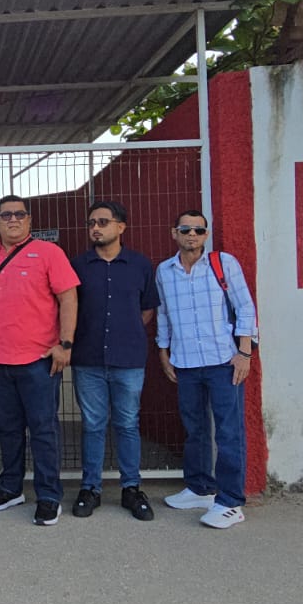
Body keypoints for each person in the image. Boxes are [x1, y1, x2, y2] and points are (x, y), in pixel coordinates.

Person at [0, 195, 79, 527]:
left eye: (20, 214)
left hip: (39, 360)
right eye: (6, 215)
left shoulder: (49, 254)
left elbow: (68, 296)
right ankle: (11, 487)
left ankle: (48, 496)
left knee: (43, 430)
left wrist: (65, 343)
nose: (13, 219)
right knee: (9, 429)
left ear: (29, 220)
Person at [155, 210, 258, 530]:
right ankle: (201, 488)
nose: (192, 235)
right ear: (174, 233)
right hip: (186, 362)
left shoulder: (223, 264)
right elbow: (163, 312)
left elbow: (245, 308)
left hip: (223, 361)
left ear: (206, 234)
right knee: (195, 429)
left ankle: (230, 502)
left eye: (199, 230)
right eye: (186, 229)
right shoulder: (165, 270)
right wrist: (163, 350)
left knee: (229, 432)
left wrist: (245, 353)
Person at [70, 200, 160, 522]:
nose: (96, 227)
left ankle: (131, 489)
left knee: (127, 424)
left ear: (121, 227)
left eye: (103, 222)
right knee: (93, 426)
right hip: (88, 359)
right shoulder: (78, 265)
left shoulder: (140, 264)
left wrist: (126, 331)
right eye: (92, 222)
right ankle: (90, 488)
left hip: (129, 359)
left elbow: (147, 309)